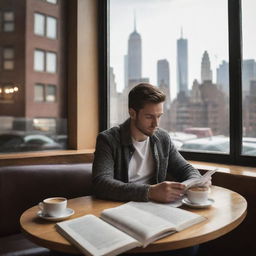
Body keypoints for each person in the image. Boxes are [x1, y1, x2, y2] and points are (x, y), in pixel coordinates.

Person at [92, 83, 207, 256]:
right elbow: (101, 183)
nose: (156, 124)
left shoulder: (162, 138)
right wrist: (149, 192)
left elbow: (185, 168)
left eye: (159, 116)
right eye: (149, 117)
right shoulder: (108, 140)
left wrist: (197, 182)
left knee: (192, 241)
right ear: (132, 113)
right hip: (120, 213)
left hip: (154, 212)